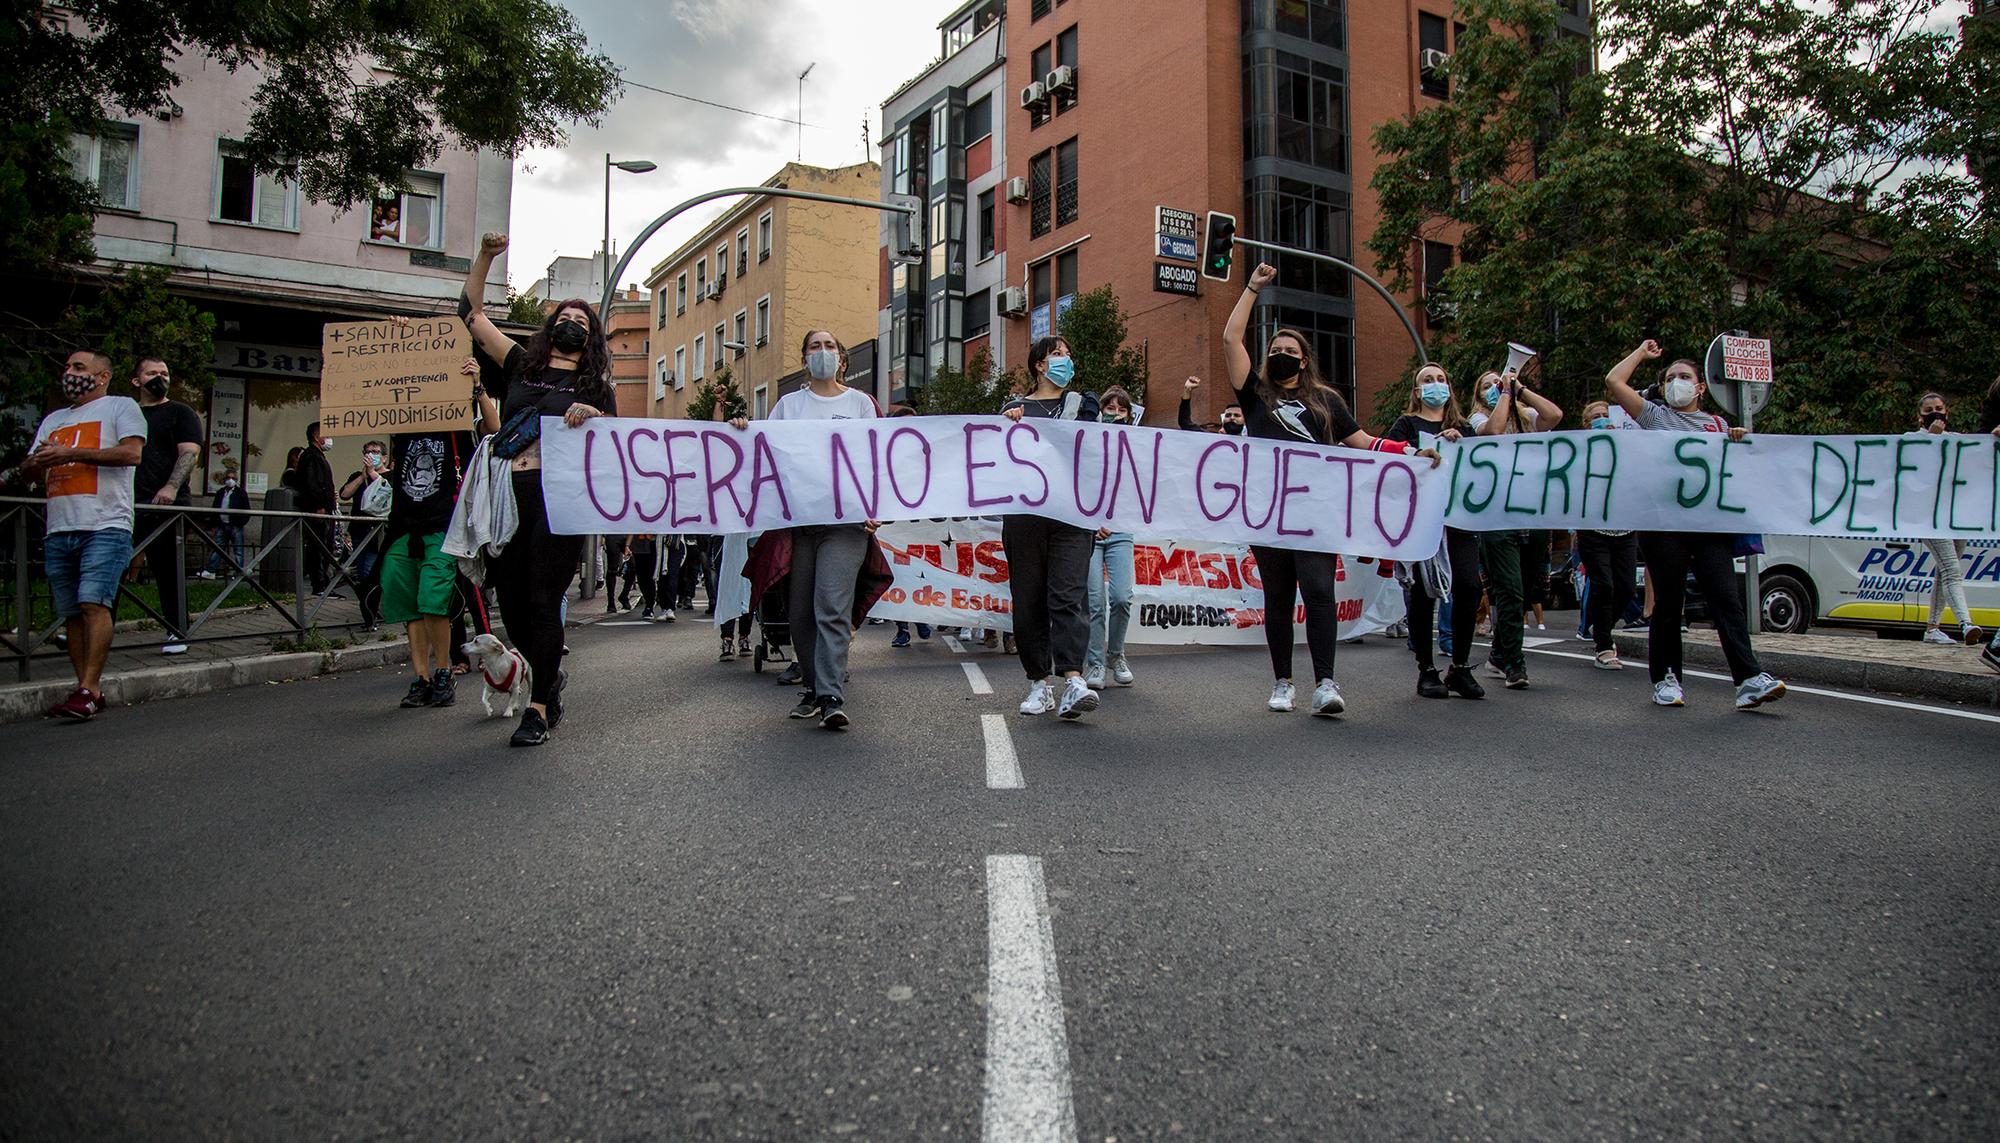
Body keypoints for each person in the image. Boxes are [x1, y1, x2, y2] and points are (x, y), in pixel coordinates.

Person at [1223, 263, 1435, 717]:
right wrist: (1252, 289)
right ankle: (1283, 682)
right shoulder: (1255, 395)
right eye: (1275, 348)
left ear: (1304, 359)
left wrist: (1409, 454)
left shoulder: (1328, 400)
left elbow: (1365, 444)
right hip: (1269, 515)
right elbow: (1229, 340)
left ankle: (1325, 683)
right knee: (1278, 598)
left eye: (1290, 349)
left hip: (1316, 515)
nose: (1280, 353)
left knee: (1319, 592)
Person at [459, 232, 615, 746]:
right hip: (509, 498)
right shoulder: (521, 366)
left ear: (590, 337)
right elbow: (471, 314)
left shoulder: (596, 388)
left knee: (545, 602)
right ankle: (548, 674)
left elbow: (613, 445)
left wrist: (593, 416)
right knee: (512, 602)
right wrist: (486, 256)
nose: (572, 323)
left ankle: (540, 707)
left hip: (558, 502)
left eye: (583, 321)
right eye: (564, 317)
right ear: (550, 328)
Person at [1606, 340, 1786, 710]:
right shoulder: (1654, 416)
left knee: (1725, 600)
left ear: (1700, 387)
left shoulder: (1718, 425)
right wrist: (1641, 353)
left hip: (1708, 525)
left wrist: (1736, 440)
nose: (1677, 382)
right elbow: (1614, 381)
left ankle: (1749, 678)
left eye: (1685, 376)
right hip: (1665, 525)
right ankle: (1666, 678)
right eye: (1670, 377)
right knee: (1670, 603)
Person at [730, 330, 880, 729]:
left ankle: (831, 695)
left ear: (842, 361)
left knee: (831, 607)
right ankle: (814, 689)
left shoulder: (860, 404)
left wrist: (877, 507)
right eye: (815, 346)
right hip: (799, 526)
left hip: (845, 525)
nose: (823, 352)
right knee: (800, 615)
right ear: (804, 358)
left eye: (830, 346)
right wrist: (741, 432)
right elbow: (766, 450)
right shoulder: (788, 406)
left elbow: (876, 459)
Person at [23, 350, 147, 720]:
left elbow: (131, 454)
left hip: (105, 524)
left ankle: (89, 689)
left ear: (103, 376)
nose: (70, 373)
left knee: (94, 603)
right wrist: (36, 462)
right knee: (72, 613)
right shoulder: (53, 420)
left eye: (79, 367)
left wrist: (69, 454)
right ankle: (85, 687)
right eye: (67, 367)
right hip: (60, 526)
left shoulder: (120, 407)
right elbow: (29, 472)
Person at [1000, 336, 1100, 720]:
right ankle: (1039, 683)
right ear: (1039, 365)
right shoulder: (1014, 409)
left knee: (1069, 596)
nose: (1066, 360)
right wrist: (1007, 422)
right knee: (1028, 600)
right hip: (1025, 518)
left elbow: (1095, 450)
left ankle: (1073, 679)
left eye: (1068, 354)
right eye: (1057, 354)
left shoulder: (1083, 404)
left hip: (1072, 516)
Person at [1383, 363, 1484, 699]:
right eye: (1428, 380)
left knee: (1469, 586)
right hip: (1423, 522)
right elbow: (1392, 466)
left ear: (1450, 389)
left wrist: (1458, 442)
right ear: (1417, 392)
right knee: (1424, 593)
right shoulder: (1406, 425)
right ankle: (1426, 669)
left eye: (1441, 379)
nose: (1435, 384)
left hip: (1458, 522)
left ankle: (1460, 665)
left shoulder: (1465, 428)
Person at [1467, 366, 1563, 688]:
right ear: (1480, 395)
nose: (1495, 386)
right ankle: (1514, 664)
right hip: (1496, 517)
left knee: (1525, 589)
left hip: (1532, 514)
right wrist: (1504, 394)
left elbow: (1555, 415)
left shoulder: (1527, 418)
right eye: (1488, 385)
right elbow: (1494, 430)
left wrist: (1519, 390)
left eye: (1499, 381)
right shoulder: (1477, 420)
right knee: (1509, 588)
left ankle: (1497, 653)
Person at [382, 427, 475, 708]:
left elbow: (492, 427)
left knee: (433, 599)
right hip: (403, 530)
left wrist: (478, 390)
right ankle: (421, 678)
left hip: (439, 529)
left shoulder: (454, 431)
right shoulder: (404, 431)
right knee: (410, 605)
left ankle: (444, 671)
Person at [129, 355, 202, 654]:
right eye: (152, 373)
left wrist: (171, 486)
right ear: (136, 381)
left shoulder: (179, 413)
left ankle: (176, 628)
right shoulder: (128, 413)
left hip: (165, 506)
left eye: (165, 373)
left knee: (168, 568)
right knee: (111, 568)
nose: (161, 378)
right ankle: (91, 630)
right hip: (126, 502)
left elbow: (189, 453)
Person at [1911, 392, 1983, 647]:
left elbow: (1980, 456)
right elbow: (1914, 469)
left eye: (1939, 408)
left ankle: (1933, 628)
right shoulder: (1912, 441)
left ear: (1947, 412)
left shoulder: (1956, 441)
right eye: (1929, 409)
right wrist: (1932, 438)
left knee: (1945, 572)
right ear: (1920, 417)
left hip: (1957, 516)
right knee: (1952, 570)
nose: (1935, 413)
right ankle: (1966, 624)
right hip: (1928, 517)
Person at [1574, 401, 1640, 669]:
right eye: (1596, 417)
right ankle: (1603, 644)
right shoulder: (1578, 450)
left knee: (1625, 588)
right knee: (1604, 584)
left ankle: (1601, 626)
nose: (1602, 420)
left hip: (1625, 527)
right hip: (1592, 528)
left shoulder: (1627, 447)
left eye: (1605, 416)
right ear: (1587, 425)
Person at [1084, 386, 1138, 690]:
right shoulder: (1087, 447)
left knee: (1121, 598)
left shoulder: (1135, 449)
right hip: (1091, 533)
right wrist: (1092, 523)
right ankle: (1094, 663)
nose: (1114, 413)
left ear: (1129, 415)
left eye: (1121, 409)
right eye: (1109, 408)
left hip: (1120, 532)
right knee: (1095, 602)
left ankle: (1115, 655)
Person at [340, 439, 391, 629]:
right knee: (362, 575)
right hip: (360, 533)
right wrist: (363, 476)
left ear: (384, 457)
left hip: (381, 534)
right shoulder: (358, 475)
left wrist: (374, 474)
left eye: (376, 452)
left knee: (372, 575)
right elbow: (344, 494)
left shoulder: (390, 476)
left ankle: (372, 616)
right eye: (368, 451)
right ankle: (369, 614)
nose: (372, 455)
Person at [294, 422, 338, 595]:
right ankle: (319, 584)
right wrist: (319, 504)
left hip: (324, 508)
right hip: (318, 510)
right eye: (326, 434)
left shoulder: (317, 456)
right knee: (318, 548)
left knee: (324, 547)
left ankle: (323, 583)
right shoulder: (311, 456)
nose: (329, 439)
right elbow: (312, 484)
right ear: (315, 435)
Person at [198, 470, 249, 579]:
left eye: (233, 478)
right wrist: (213, 525)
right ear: (224, 479)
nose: (230, 480)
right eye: (228, 478)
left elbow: (247, 510)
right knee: (217, 548)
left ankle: (239, 572)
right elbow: (215, 508)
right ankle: (211, 571)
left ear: (236, 480)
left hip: (235, 525)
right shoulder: (221, 492)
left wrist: (241, 523)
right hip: (222, 525)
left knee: (238, 550)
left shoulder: (241, 493)